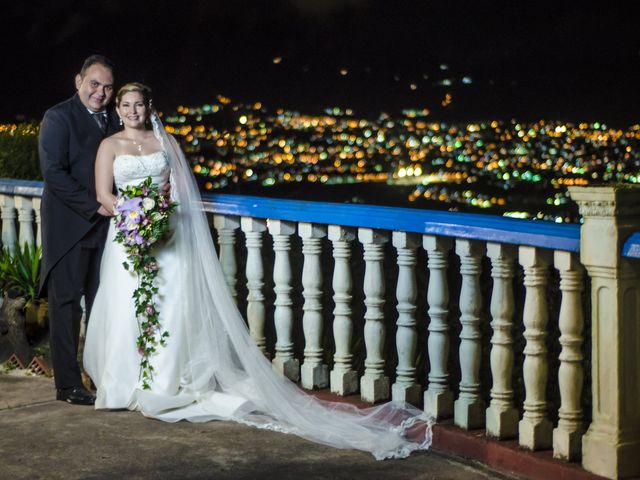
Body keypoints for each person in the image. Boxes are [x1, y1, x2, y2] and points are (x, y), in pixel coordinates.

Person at [83, 82, 433, 459]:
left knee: (170, 307)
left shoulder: (165, 142)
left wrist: (159, 217)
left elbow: (182, 189)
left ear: (148, 107)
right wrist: (135, 218)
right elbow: (104, 193)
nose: (134, 111)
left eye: (139, 104)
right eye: (127, 105)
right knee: (126, 308)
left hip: (168, 236)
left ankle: (165, 383)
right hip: (127, 236)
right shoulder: (109, 146)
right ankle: (123, 383)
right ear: (118, 110)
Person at [39, 55, 121, 405]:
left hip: (107, 230)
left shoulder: (117, 120)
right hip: (70, 229)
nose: (100, 92)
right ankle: (68, 386)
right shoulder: (58, 117)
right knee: (67, 306)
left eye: (107, 86)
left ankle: (105, 376)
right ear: (79, 82)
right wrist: (95, 206)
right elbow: (53, 174)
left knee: (104, 304)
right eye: (94, 84)